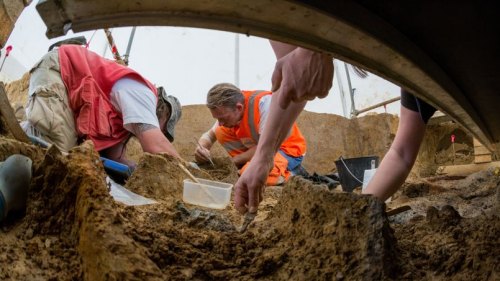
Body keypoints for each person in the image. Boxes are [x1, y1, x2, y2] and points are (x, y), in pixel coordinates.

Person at [233, 41, 436, 215]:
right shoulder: (418, 81)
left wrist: (314, 49)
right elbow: (401, 154)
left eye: (298, 44)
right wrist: (357, 213)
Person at [23, 44, 182, 168]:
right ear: (164, 112)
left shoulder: (126, 122)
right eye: (163, 130)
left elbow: (114, 158)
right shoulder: (145, 95)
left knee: (73, 159)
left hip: (68, 93)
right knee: (59, 159)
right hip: (61, 70)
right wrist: (189, 175)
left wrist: (134, 169)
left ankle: (21, 132)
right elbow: (156, 145)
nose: (161, 133)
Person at [194, 82, 307, 185]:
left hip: (284, 150)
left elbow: (266, 147)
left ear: (239, 107)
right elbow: (209, 135)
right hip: (259, 150)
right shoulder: (229, 108)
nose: (220, 123)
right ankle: (248, 167)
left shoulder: (265, 104)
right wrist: (202, 148)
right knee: (220, 132)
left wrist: (233, 162)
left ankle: (293, 175)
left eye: (223, 118)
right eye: (217, 118)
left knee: (251, 176)